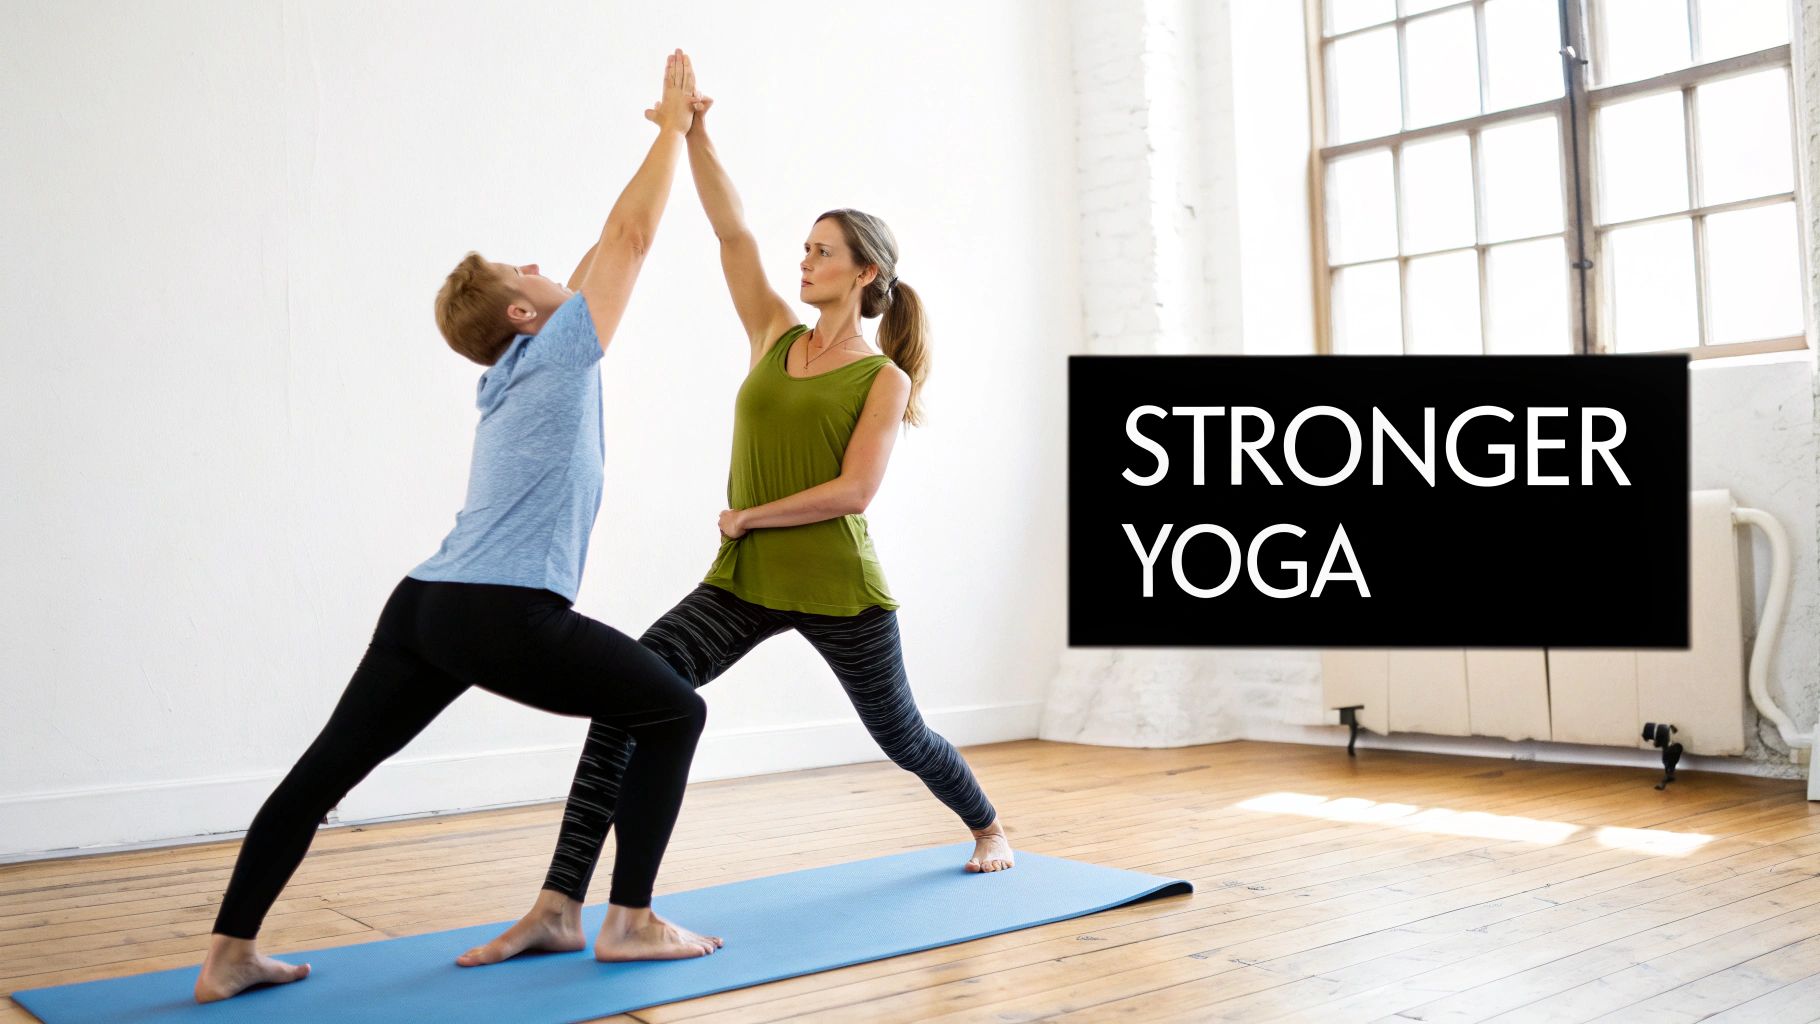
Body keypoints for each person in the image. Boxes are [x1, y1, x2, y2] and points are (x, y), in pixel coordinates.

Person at [194, 50, 721, 1003]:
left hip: (425, 605)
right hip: (499, 609)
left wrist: (661, 135)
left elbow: (595, 255)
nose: (541, 263)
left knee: (323, 773)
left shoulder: (509, 369)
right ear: (525, 313)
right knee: (674, 710)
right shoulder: (558, 352)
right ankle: (631, 921)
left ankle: (229, 953)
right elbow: (629, 242)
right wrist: (674, 133)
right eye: (521, 269)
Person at [456, 75, 1012, 970]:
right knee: (631, 696)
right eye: (805, 248)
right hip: (746, 581)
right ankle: (561, 901)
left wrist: (750, 512)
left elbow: (854, 494)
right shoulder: (775, 335)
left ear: (863, 274)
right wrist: (700, 135)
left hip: (835, 586)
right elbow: (733, 233)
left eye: (822, 252)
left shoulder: (883, 379)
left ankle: (985, 821)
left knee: (901, 733)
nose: (804, 262)